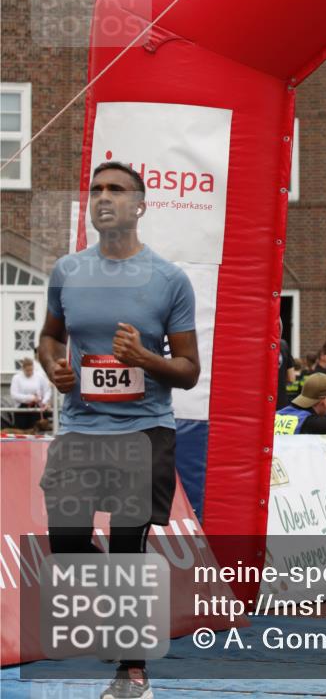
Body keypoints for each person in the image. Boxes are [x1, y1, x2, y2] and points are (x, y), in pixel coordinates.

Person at [38, 161, 200, 699]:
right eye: (96, 189)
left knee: (129, 544)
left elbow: (190, 369)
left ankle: (132, 675)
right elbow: (48, 338)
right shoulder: (67, 271)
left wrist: (144, 358)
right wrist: (54, 367)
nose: (103, 197)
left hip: (142, 429)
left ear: (140, 204)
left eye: (117, 190)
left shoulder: (168, 280)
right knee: (65, 544)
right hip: (82, 427)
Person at [9, 357, 51, 429]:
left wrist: (44, 401)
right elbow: (14, 395)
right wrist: (31, 398)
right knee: (21, 433)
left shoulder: (39, 377)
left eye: (31, 370)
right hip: (21, 409)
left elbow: (47, 390)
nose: (29, 372)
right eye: (27, 370)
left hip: (36, 409)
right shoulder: (16, 378)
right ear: (23, 369)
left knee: (35, 433)